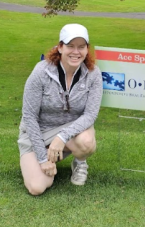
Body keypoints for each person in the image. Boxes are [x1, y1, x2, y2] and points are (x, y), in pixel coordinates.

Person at [18, 23, 103, 195]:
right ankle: (47, 156)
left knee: (86, 142)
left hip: (70, 132)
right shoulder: (41, 72)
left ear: (87, 49)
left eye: (81, 47)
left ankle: (79, 162)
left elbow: (90, 115)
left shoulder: (93, 74)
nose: (75, 52)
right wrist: (42, 158)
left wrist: (61, 137)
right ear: (60, 47)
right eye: (70, 46)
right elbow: (29, 116)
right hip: (39, 131)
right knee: (37, 187)